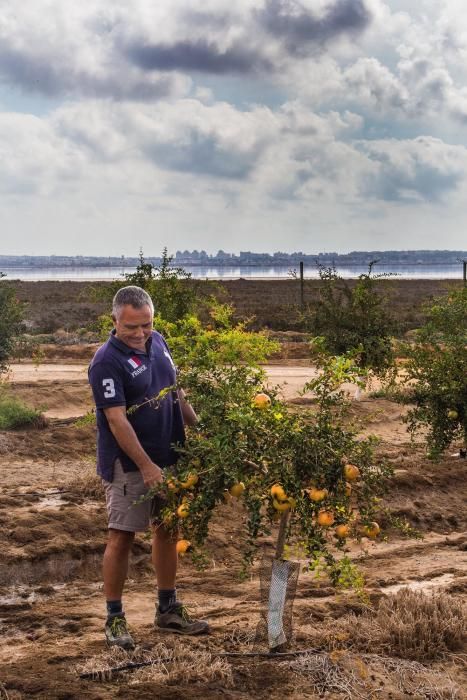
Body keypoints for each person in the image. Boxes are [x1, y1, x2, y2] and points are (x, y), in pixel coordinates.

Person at [88, 285, 209, 650]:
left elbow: (176, 392)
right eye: (131, 328)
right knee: (122, 536)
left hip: (171, 455)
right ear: (115, 321)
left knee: (168, 529)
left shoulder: (159, 343)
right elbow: (116, 420)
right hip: (130, 464)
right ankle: (114, 618)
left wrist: (200, 431)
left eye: (147, 325)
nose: (140, 334)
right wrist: (146, 466)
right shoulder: (106, 362)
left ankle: (167, 608)